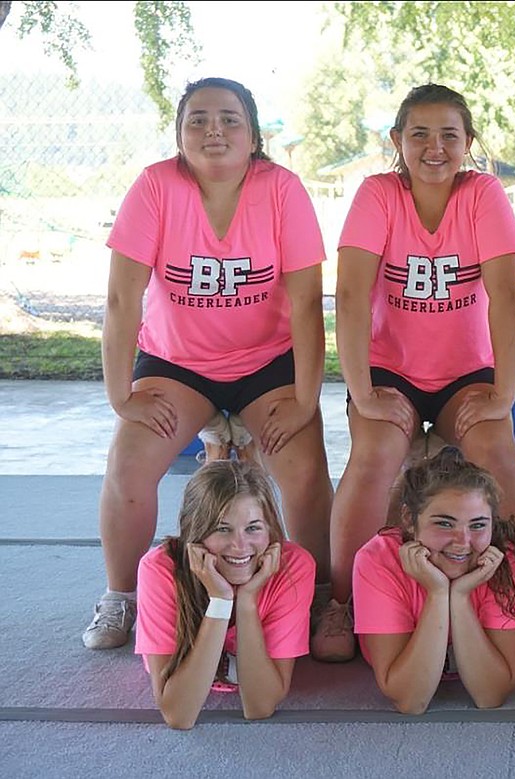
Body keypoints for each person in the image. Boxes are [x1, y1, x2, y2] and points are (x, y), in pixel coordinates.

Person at [85, 77, 333, 651]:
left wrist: (303, 399)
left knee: (301, 468)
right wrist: (121, 394)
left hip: (266, 361)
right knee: (128, 462)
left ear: (253, 137)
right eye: (197, 119)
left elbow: (305, 304)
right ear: (178, 136)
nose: (213, 130)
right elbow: (123, 299)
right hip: (178, 362)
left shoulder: (281, 189)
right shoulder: (155, 186)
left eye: (228, 119)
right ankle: (120, 596)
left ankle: (320, 595)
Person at [314, 83, 515, 665]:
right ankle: (345, 602)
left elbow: (503, 299)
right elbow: (348, 294)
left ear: (468, 143)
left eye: (449, 134)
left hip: (464, 371)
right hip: (389, 369)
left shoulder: (483, 194)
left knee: (498, 451)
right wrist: (363, 390)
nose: (434, 147)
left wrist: (504, 394)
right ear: (398, 141)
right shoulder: (378, 194)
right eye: (419, 133)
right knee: (373, 458)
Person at [352, 447, 515, 714]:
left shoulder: (509, 560)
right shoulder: (377, 560)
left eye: (477, 525)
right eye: (444, 524)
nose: (463, 542)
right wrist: (438, 594)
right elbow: (410, 700)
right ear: (409, 519)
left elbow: (490, 695)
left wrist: (460, 597)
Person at [135, 460, 315, 729]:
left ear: (270, 530)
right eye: (222, 528)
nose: (240, 546)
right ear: (194, 532)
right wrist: (220, 601)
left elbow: (259, 706)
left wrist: (246, 602)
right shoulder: (160, 570)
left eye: (253, 527)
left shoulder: (293, 567)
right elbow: (179, 714)